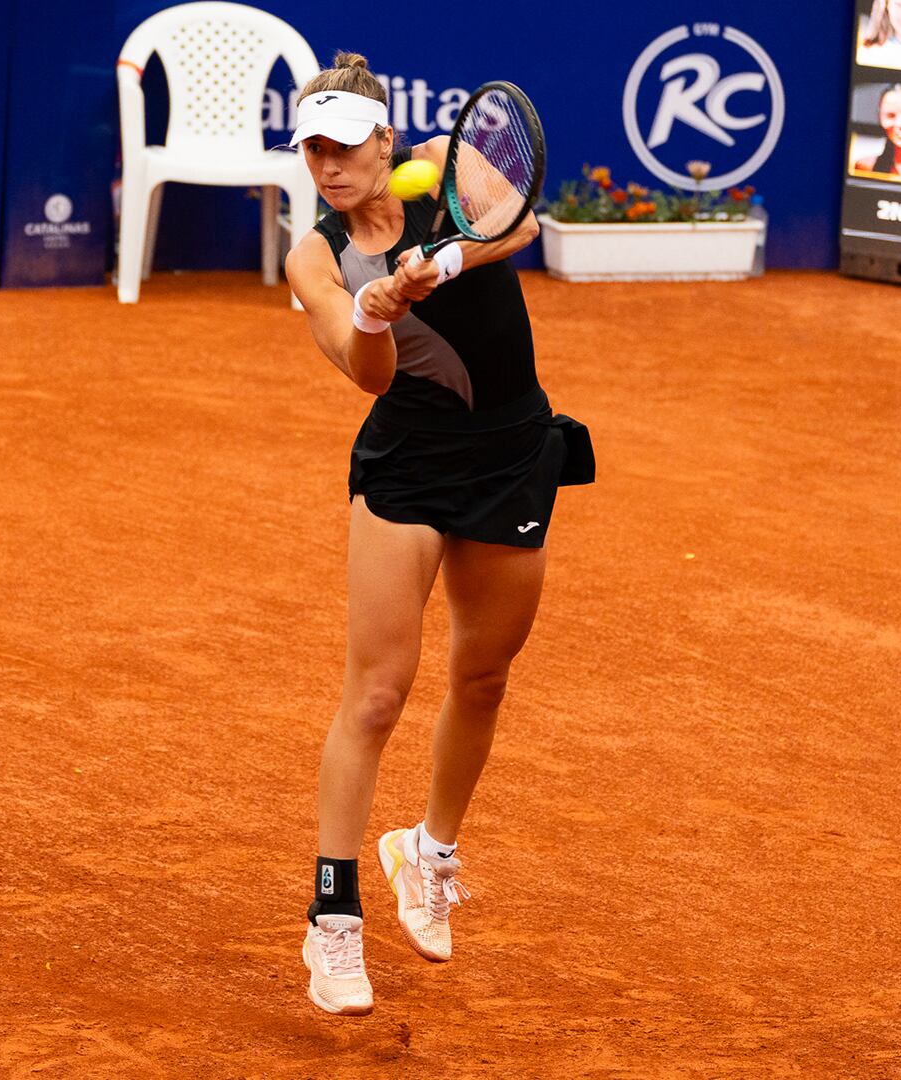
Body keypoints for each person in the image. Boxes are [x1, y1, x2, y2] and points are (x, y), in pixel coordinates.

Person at [281, 52, 592, 1017]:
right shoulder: (314, 255)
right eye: (312, 150)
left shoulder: (443, 171)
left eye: (344, 147)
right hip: (409, 466)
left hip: (510, 451)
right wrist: (379, 308)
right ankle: (332, 921)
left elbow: (521, 222)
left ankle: (429, 852)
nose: (328, 167)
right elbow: (367, 376)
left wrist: (441, 261)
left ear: (384, 141)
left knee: (484, 675)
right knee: (376, 693)